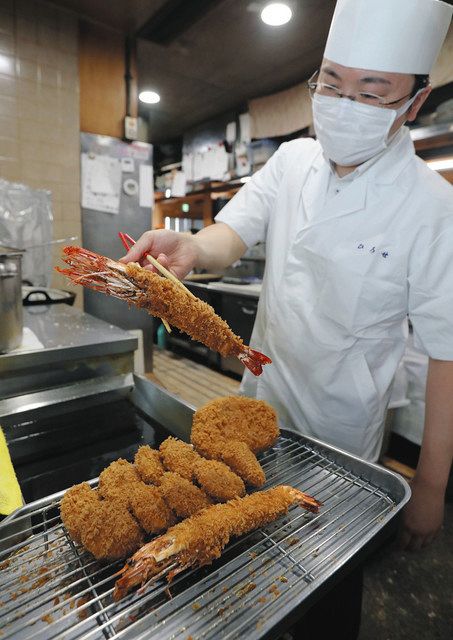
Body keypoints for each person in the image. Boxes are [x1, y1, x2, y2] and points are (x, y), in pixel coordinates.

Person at [122, 0, 453, 561]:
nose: (346, 105)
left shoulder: (433, 207)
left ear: (416, 100)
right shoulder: (293, 160)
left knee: (322, 563)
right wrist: (193, 247)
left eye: (372, 93)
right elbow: (230, 235)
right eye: (332, 83)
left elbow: (448, 354)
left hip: (342, 428)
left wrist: (430, 487)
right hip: (260, 402)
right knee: (249, 544)